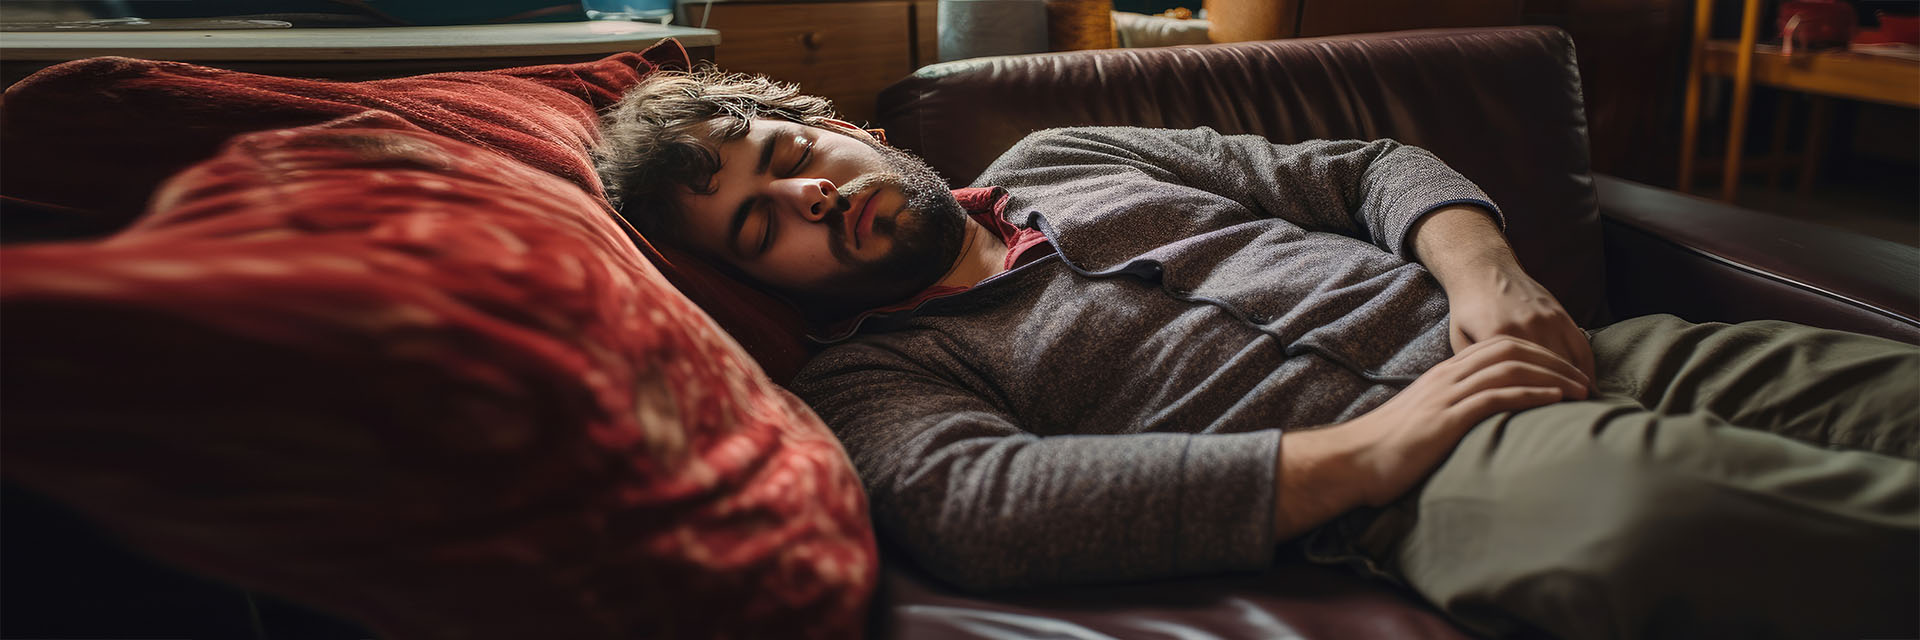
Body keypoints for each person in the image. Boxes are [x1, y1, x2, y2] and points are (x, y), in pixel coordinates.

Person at [593, 68, 1920, 639]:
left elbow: (1363, 168)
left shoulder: (1067, 158)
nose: (809, 199)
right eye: (763, 227)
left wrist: (1492, 279)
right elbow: (979, 509)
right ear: (754, 280)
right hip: (1431, 488)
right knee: (1667, 520)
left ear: (830, 127)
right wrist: (1372, 452)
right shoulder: (873, 378)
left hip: (1589, 345)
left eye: (791, 161)